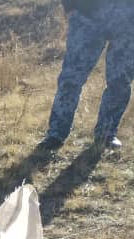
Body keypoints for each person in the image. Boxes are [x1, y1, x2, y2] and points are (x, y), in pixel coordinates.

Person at [38, 0, 134, 152]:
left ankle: (106, 134)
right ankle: (56, 134)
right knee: (71, 79)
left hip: (128, 20)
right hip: (88, 15)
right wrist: (69, 5)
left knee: (120, 82)